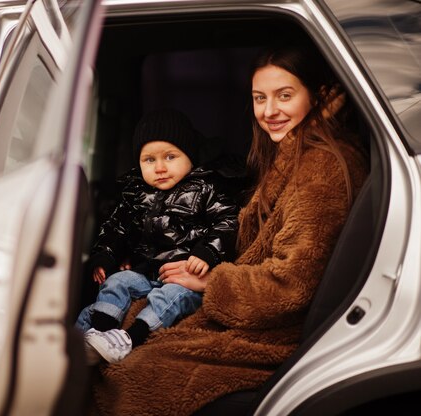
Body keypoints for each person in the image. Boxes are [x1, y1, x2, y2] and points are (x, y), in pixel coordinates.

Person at [90, 45, 369, 415]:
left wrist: (211, 282)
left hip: (273, 333)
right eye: (259, 98)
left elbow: (292, 285)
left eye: (285, 96)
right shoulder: (291, 154)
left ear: (316, 96)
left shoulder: (321, 170)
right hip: (250, 309)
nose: (269, 111)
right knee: (127, 311)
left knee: (134, 375)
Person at [76, 108, 239, 365]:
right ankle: (99, 333)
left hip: (185, 278)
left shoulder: (205, 187)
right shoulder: (135, 193)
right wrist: (106, 255)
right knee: (117, 281)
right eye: (149, 160)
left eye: (171, 157)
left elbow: (227, 221)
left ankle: (132, 337)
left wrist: (207, 252)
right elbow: (117, 228)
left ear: (190, 157)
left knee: (170, 296)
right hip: (146, 273)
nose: (160, 167)